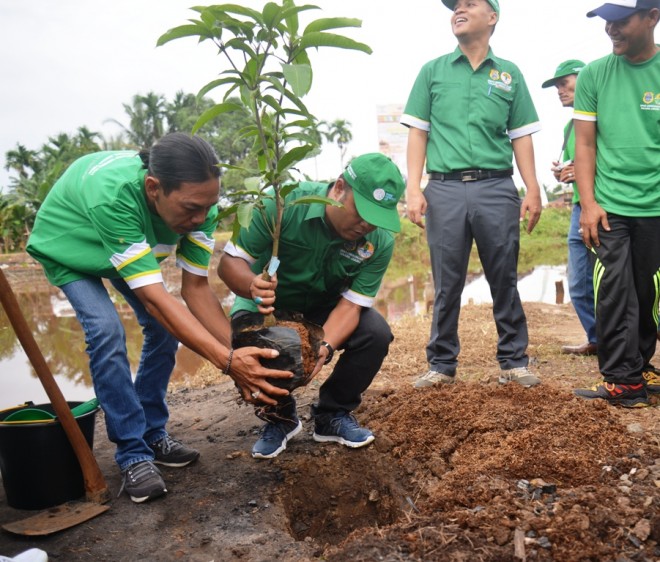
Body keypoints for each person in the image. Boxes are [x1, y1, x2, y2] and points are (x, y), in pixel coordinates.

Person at [26, 133, 292, 503]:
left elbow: (195, 290)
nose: (200, 218)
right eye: (189, 209)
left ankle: (153, 431)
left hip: (125, 244)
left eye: (208, 206)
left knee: (164, 331)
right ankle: (132, 453)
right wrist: (229, 363)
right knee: (106, 331)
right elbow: (155, 300)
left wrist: (242, 354)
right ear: (154, 187)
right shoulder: (116, 196)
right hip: (71, 243)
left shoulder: (201, 205)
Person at [218, 153, 405, 459]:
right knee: (252, 340)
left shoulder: (378, 241)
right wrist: (252, 285)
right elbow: (229, 264)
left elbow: (351, 307)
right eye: (361, 212)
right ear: (340, 188)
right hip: (266, 304)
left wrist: (325, 347)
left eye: (377, 218)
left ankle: (332, 414)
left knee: (375, 333)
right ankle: (280, 417)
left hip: (325, 307)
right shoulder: (280, 205)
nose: (367, 225)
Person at [401, 0, 543, 389]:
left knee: (503, 276)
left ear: (492, 17)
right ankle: (441, 364)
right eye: (455, 6)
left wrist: (532, 188)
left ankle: (514, 361)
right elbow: (418, 132)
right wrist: (413, 187)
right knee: (447, 282)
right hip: (444, 188)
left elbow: (521, 137)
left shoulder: (509, 74)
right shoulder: (432, 71)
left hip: (496, 186)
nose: (458, 10)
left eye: (469, 4)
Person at [572, 0, 660, 407]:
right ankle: (621, 379)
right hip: (610, 206)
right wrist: (588, 203)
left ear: (652, 18)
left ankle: (639, 366)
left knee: (646, 291)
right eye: (606, 21)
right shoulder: (593, 75)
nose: (611, 29)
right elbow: (585, 143)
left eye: (621, 21)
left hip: (656, 206)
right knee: (614, 288)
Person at [542, 59, 597, 356]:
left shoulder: (604, 115)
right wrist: (563, 172)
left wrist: (588, 170)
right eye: (556, 85)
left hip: (606, 204)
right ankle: (598, 339)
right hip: (578, 207)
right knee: (578, 283)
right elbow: (575, 166)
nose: (559, 90)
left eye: (565, 82)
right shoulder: (568, 126)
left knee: (621, 280)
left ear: (585, 78)